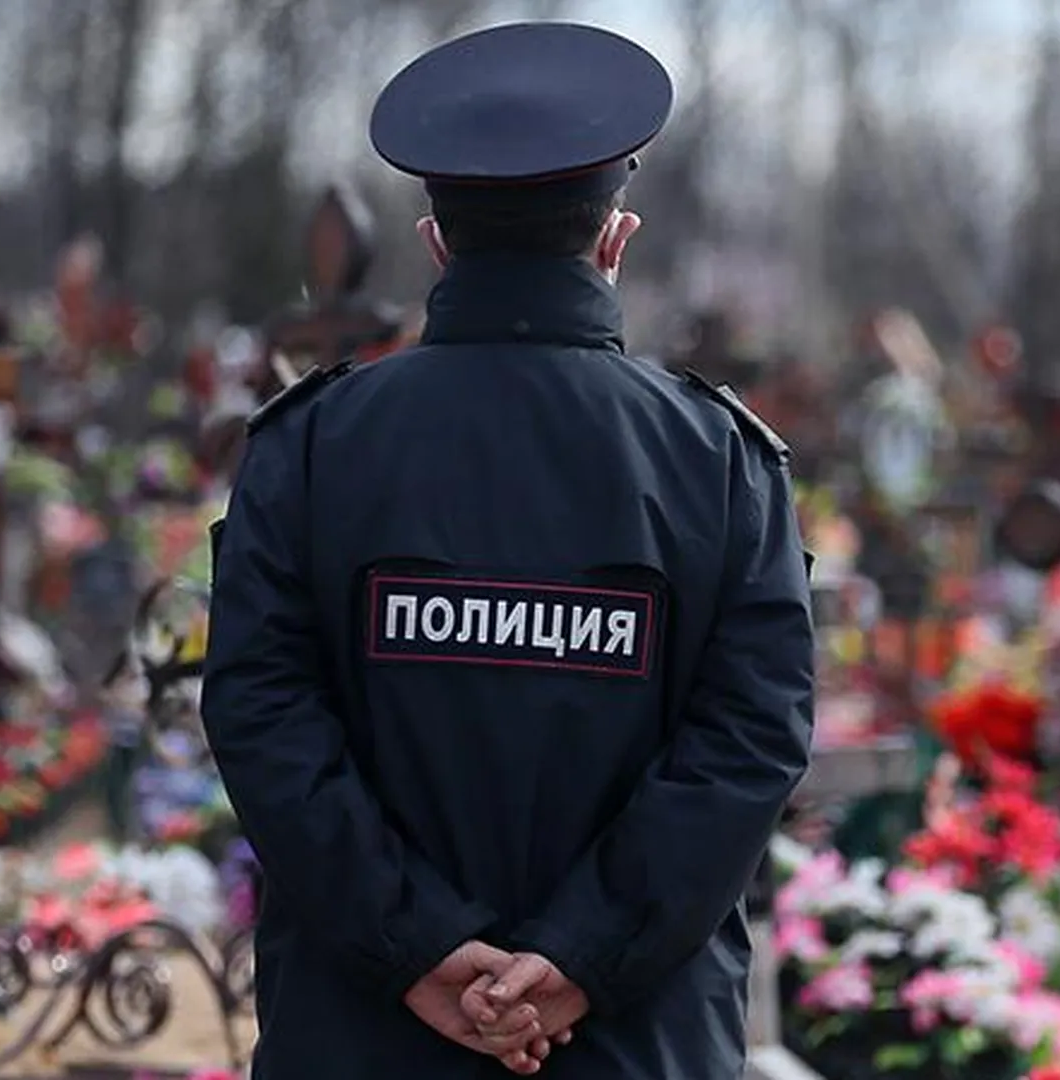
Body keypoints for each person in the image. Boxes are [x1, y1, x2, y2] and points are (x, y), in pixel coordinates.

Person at [200, 20, 816, 1080]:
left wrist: (416, 944)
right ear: (615, 238)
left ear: (437, 243)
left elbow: (262, 715)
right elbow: (751, 741)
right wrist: (582, 957)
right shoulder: (719, 461)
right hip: (635, 1045)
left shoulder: (311, 446)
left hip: (363, 1038)